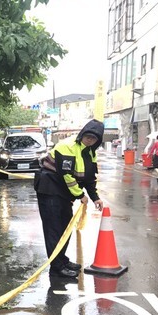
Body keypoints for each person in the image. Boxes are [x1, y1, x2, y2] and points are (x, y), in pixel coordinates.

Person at [34, 119, 105, 279]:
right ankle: (56, 267)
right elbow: (68, 176)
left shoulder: (90, 151)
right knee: (54, 230)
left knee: (65, 227)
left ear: (98, 141)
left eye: (94, 139)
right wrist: (80, 195)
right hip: (50, 190)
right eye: (87, 137)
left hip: (64, 194)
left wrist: (95, 198)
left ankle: (62, 260)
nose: (90, 140)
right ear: (82, 134)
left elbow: (89, 177)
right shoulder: (67, 146)